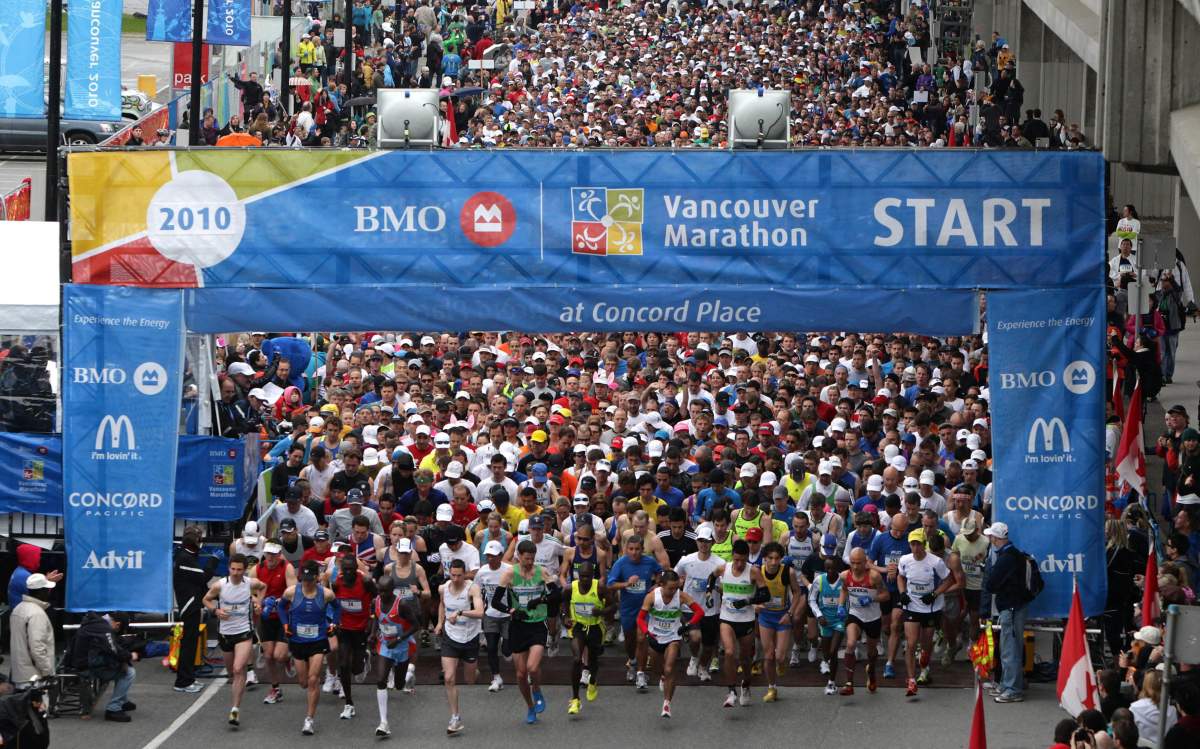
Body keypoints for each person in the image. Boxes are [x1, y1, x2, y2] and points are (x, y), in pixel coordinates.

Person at [491, 539, 554, 724]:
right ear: (519, 557)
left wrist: (541, 600)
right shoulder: (510, 573)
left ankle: (537, 689)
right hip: (518, 626)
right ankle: (530, 706)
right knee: (519, 674)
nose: (530, 562)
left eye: (532, 559)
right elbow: (495, 602)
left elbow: (556, 595)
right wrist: (511, 611)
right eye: (526, 559)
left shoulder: (541, 571)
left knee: (532, 668)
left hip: (537, 624)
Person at [203, 554, 265, 726]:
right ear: (228, 568)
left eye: (239, 569)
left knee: (239, 669)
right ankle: (239, 682)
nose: (236, 573)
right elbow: (206, 599)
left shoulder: (250, 583)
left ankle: (235, 709)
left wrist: (258, 602)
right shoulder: (220, 585)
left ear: (244, 570)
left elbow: (263, 586)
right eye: (233, 569)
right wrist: (215, 611)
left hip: (244, 632)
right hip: (225, 634)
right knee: (232, 673)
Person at [281, 559, 337, 735]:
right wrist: (285, 625)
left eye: (309, 580)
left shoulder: (326, 594)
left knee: (313, 680)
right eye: (303, 580)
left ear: (317, 578)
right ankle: (290, 662)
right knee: (303, 683)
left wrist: (333, 624)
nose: (306, 583)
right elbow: (281, 607)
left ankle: (309, 720)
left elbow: (338, 609)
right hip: (298, 642)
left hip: (318, 641)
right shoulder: (291, 592)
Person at [637, 569, 704, 718]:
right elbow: (640, 619)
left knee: (669, 668)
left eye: (676, 587)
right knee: (657, 670)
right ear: (661, 585)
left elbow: (700, 612)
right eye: (670, 588)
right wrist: (647, 632)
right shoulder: (652, 597)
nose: (674, 591)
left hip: (673, 637)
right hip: (655, 637)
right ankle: (662, 677)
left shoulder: (681, 596)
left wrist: (687, 626)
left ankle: (667, 704)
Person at [897, 529, 955, 696]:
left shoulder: (935, 562)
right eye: (912, 544)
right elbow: (901, 576)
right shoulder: (905, 560)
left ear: (924, 545)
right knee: (911, 643)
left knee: (926, 643)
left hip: (930, 608)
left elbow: (949, 579)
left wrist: (935, 594)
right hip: (912, 607)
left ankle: (924, 661)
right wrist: (902, 593)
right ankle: (911, 680)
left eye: (918, 544)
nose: (915, 548)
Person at [712, 539, 769, 707]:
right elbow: (712, 577)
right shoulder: (724, 568)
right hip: (727, 618)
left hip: (746, 620)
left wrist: (747, 601)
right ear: (732, 557)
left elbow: (766, 595)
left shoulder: (754, 572)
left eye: (743, 560)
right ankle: (731, 691)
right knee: (729, 652)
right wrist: (709, 591)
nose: (739, 564)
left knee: (745, 659)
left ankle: (746, 684)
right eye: (736, 560)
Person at [607, 533, 663, 690]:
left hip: (644, 609)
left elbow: (660, 572)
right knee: (630, 640)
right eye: (631, 549)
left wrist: (656, 585)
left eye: (637, 549)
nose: (634, 552)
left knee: (641, 639)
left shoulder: (649, 561)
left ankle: (640, 673)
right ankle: (632, 661)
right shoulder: (621, 563)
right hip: (627, 608)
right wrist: (626, 584)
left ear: (642, 549)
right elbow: (611, 584)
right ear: (626, 549)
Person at [435, 559, 484, 734]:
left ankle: (475, 670)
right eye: (453, 575)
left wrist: (461, 612)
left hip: (470, 638)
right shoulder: (443, 588)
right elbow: (442, 604)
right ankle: (455, 717)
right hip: (451, 637)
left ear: (465, 574)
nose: (455, 579)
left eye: (459, 575)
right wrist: (440, 623)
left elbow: (480, 613)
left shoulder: (472, 588)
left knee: (470, 680)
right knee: (449, 678)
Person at [983, 522, 1030, 703]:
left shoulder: (1005, 558)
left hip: (1010, 608)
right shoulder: (1015, 555)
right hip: (1014, 606)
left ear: (996, 538)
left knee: (1010, 649)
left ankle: (1012, 688)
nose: (989, 539)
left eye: (991, 536)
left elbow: (990, 584)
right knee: (1009, 648)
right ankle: (1006, 684)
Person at [370, 575, 421, 737]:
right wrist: (372, 634)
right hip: (385, 645)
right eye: (379, 590)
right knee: (381, 680)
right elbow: (376, 619)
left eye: (384, 591)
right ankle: (383, 723)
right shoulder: (376, 601)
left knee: (398, 685)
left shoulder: (402, 605)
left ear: (392, 590)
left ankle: (409, 673)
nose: (381, 594)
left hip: (402, 647)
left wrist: (399, 639)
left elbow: (416, 626)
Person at [330, 551, 376, 721]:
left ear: (356, 569)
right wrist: (334, 622)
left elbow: (377, 599)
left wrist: (372, 625)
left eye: (351, 569)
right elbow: (335, 603)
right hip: (344, 630)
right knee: (343, 665)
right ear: (342, 569)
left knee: (356, 669)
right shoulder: (337, 583)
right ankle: (349, 704)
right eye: (345, 569)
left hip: (361, 630)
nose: (348, 573)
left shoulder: (365, 582)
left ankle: (364, 657)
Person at [250, 538, 297, 704]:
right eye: (268, 554)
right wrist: (258, 604)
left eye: (274, 555)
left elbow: (293, 592)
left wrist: (278, 602)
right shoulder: (256, 569)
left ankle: (287, 658)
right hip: (266, 617)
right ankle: (275, 688)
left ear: (279, 554)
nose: (270, 558)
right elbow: (252, 593)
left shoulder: (287, 568)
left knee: (279, 655)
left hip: (284, 616)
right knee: (269, 656)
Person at [837, 547, 890, 695]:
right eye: (852, 563)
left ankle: (871, 671)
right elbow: (844, 589)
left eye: (859, 563)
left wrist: (871, 598)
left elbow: (886, 596)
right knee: (851, 643)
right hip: (855, 615)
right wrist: (841, 606)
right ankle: (849, 683)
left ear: (865, 562)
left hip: (872, 618)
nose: (855, 566)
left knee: (872, 652)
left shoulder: (874, 576)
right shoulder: (844, 575)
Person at [675, 525, 723, 682]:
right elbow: (675, 577)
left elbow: (724, 588)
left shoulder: (719, 563)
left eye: (707, 541)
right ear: (696, 542)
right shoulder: (686, 560)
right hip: (691, 608)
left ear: (713, 542)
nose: (704, 544)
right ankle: (694, 657)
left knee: (709, 645)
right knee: (695, 638)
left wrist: (714, 586)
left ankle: (703, 667)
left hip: (711, 610)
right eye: (701, 541)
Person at [757, 541, 803, 703]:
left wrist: (790, 613)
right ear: (765, 559)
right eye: (770, 558)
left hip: (782, 616)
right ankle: (772, 687)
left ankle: (781, 663)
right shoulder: (758, 572)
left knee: (780, 656)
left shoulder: (787, 572)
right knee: (769, 656)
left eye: (777, 558)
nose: (774, 562)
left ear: (781, 559)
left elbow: (797, 593)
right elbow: (751, 592)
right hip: (765, 617)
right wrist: (756, 605)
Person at [564, 561, 612, 714]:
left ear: (593, 576)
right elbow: (563, 603)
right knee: (577, 659)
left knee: (593, 660)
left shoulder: (600, 588)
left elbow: (614, 606)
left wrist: (602, 612)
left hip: (596, 628)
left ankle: (592, 680)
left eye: (588, 576)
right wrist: (565, 617)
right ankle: (575, 699)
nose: (584, 579)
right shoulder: (570, 588)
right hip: (578, 627)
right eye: (582, 576)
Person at [173, 526, 214, 694]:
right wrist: (213, 560)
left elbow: (200, 584)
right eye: (198, 539)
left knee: (191, 644)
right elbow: (203, 577)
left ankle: (188, 678)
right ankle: (182, 681)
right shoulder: (184, 558)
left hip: (193, 605)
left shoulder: (187, 555)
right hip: (189, 606)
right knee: (188, 645)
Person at [809, 534, 846, 694]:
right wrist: (818, 616)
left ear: (837, 568)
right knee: (826, 653)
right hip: (824, 621)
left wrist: (844, 610)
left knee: (833, 651)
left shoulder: (843, 580)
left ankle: (831, 682)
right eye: (827, 569)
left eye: (832, 569)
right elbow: (811, 600)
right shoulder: (819, 581)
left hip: (839, 620)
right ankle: (826, 664)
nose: (830, 571)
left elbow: (849, 598)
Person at [475, 540, 512, 693]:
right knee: (490, 648)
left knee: (507, 649)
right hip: (490, 614)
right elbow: (476, 590)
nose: (490, 558)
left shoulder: (509, 570)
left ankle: (506, 644)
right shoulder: (482, 571)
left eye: (494, 556)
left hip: (508, 614)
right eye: (488, 556)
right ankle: (496, 678)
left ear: (501, 555)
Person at [10, 574, 55, 687]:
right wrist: (48, 672)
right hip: (35, 678)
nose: (49, 592)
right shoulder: (36, 613)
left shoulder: (18, 609)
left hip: (21, 676)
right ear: (41, 592)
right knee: (40, 705)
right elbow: (37, 648)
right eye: (47, 589)